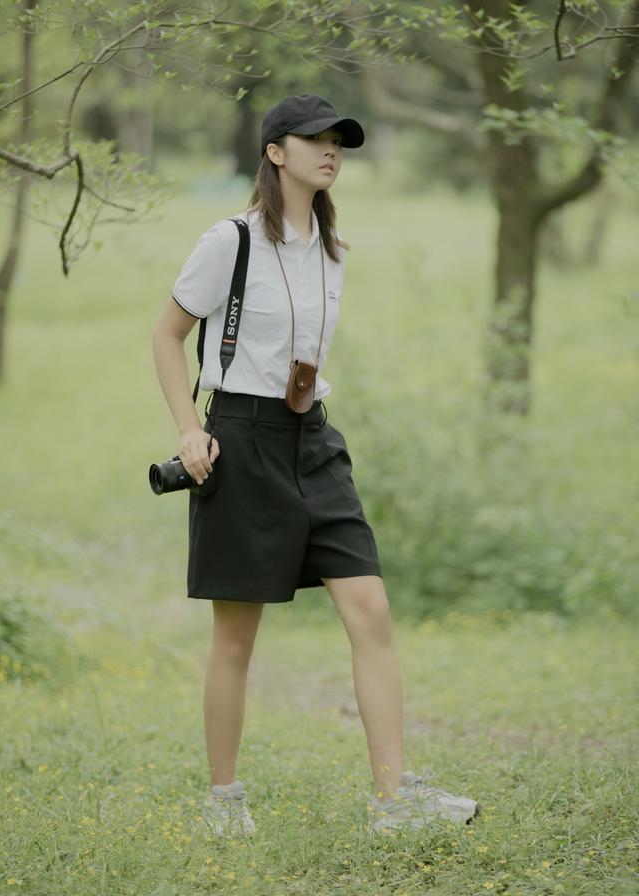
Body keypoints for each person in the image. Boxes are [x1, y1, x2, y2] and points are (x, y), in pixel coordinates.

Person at [152, 94, 480, 837]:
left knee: (372, 611)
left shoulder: (332, 250)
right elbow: (168, 335)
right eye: (315, 139)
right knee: (237, 636)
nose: (331, 150)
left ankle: (394, 803)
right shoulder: (230, 242)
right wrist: (188, 429)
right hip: (240, 440)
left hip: (314, 440)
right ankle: (224, 802)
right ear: (276, 152)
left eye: (339, 141)